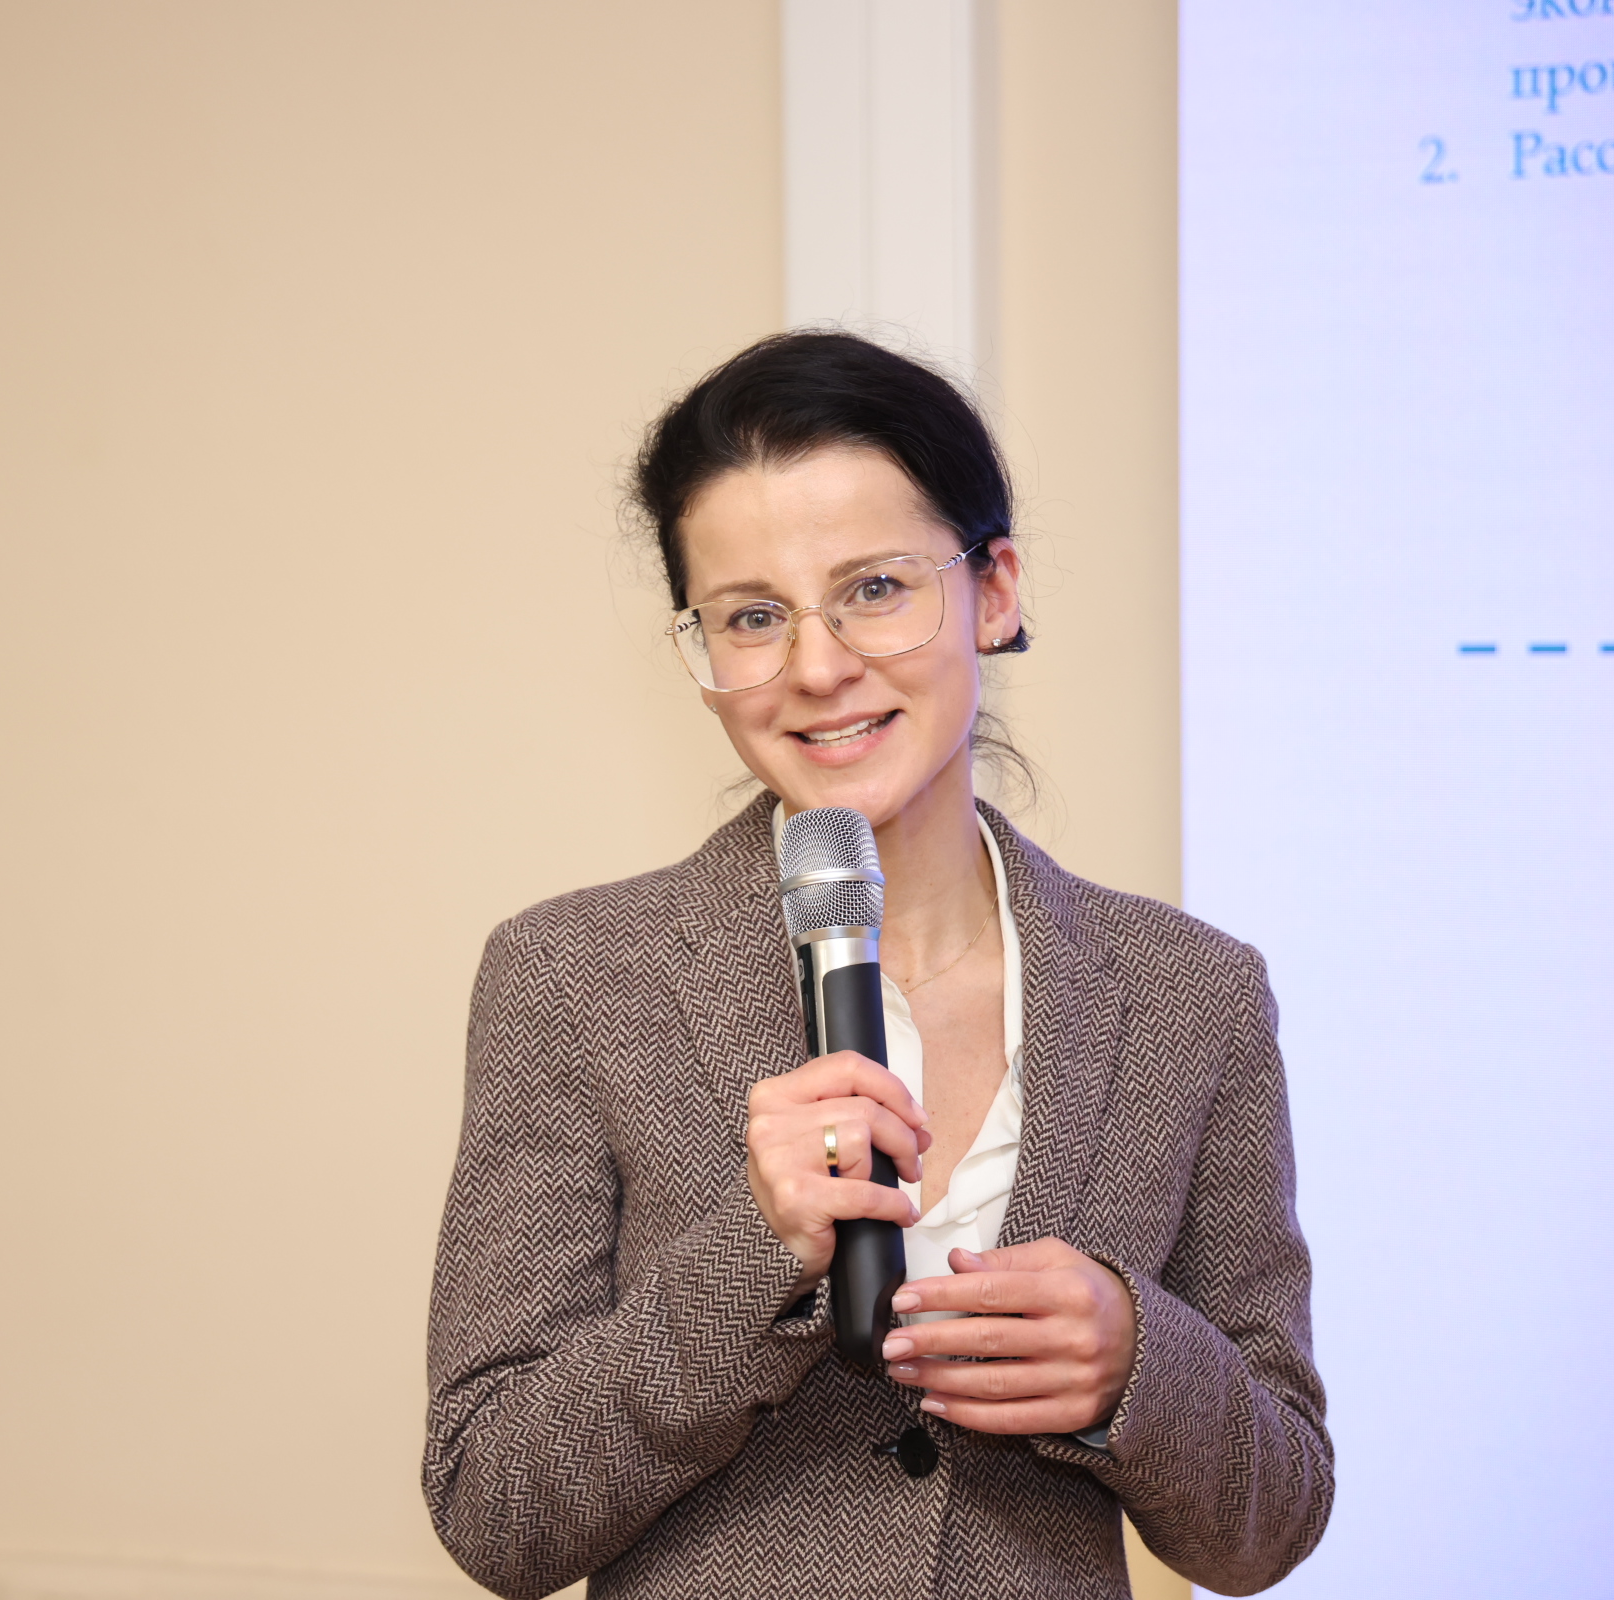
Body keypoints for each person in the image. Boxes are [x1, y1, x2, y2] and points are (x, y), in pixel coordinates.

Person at [423, 333, 1329, 1599]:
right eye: (751, 617)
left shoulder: (1192, 993)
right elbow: (494, 1507)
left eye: (877, 588)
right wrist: (759, 1249)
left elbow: (1272, 1523)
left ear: (995, 591)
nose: (816, 666)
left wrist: (1141, 1362)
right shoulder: (575, 978)